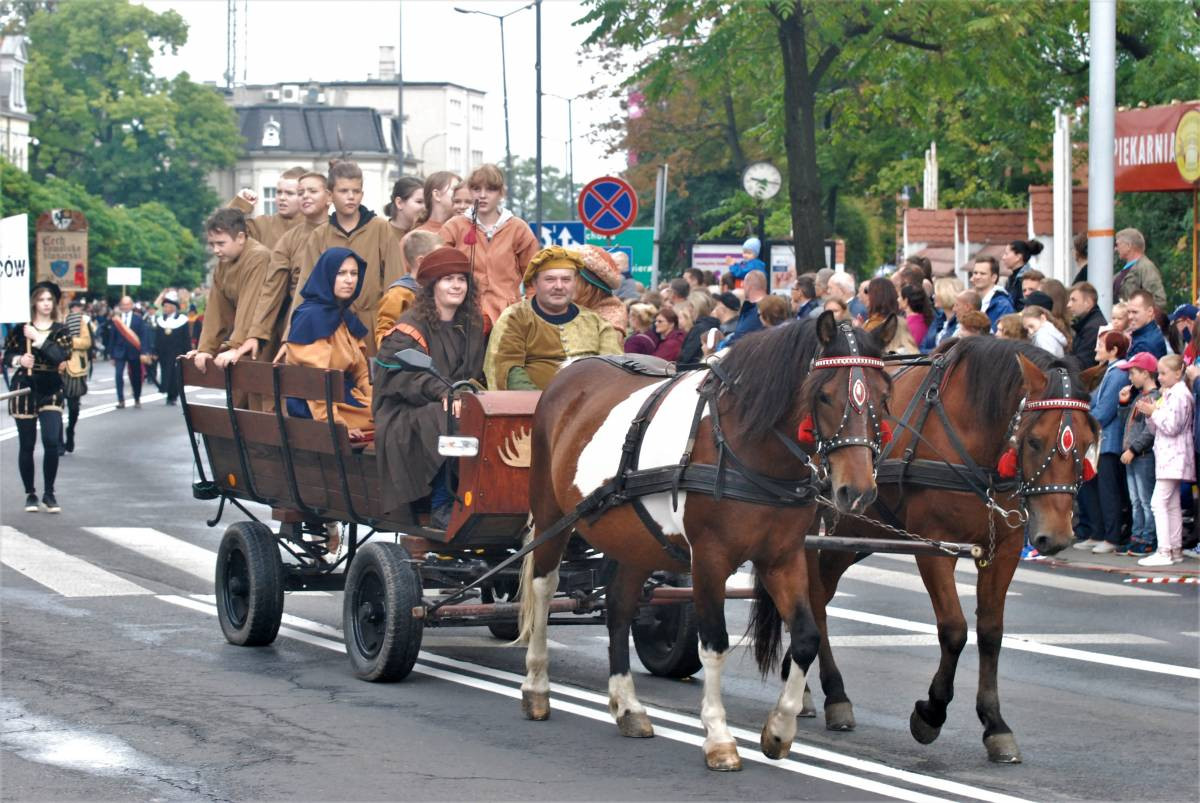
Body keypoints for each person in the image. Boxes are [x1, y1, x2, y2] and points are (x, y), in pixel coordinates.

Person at [374, 246, 485, 526]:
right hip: (403, 412)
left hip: (456, 405)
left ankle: (481, 497)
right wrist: (440, 392)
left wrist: (467, 394)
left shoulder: (470, 325)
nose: (456, 285)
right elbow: (397, 376)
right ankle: (442, 503)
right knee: (441, 417)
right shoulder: (409, 327)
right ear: (433, 285)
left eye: (461, 279)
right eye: (448, 279)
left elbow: (475, 375)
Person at [292, 161, 406, 357]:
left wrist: (395, 335)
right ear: (330, 195)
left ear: (362, 194)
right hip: (330, 328)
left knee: (371, 382)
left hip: (372, 325)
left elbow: (395, 285)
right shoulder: (320, 235)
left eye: (356, 191)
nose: (351, 197)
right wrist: (291, 336)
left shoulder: (380, 229)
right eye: (344, 191)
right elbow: (306, 289)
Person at [484, 246, 621, 389]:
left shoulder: (596, 323)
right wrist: (540, 404)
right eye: (550, 279)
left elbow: (613, 368)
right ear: (535, 283)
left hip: (589, 406)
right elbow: (506, 367)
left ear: (574, 283)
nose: (559, 286)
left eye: (566, 279)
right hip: (531, 408)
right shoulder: (516, 317)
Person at [241, 170, 332, 364]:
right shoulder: (275, 231)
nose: (282, 198)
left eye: (289, 193)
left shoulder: (341, 230)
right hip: (289, 319)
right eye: (300, 193)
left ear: (328, 197)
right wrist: (256, 333)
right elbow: (272, 288)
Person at [282, 248, 374, 438]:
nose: (349, 280)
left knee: (393, 413)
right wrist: (335, 424)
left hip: (343, 399)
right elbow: (315, 381)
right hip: (315, 409)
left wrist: (375, 400)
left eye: (354, 273)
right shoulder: (311, 317)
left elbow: (361, 372)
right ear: (327, 275)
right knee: (395, 419)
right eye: (341, 273)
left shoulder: (344, 316)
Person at [440, 163, 540, 327]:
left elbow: (534, 277)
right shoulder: (454, 227)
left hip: (508, 319)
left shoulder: (518, 228)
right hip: (463, 317)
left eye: (491, 189)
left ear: (501, 193)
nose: (483, 195)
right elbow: (437, 272)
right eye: (477, 189)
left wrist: (531, 312)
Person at [5, 282, 72, 512]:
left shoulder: (60, 330)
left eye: (49, 300)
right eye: (42, 299)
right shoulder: (20, 329)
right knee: (27, 444)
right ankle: (30, 493)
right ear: (34, 302)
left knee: (51, 441)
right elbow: (7, 355)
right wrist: (19, 361)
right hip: (25, 387)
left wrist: (38, 339)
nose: (46, 303)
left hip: (51, 386)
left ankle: (49, 493)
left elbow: (61, 356)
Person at [187, 209, 272, 374]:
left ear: (240, 237)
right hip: (245, 335)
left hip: (265, 336)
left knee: (260, 392)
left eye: (220, 243)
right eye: (212, 244)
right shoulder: (224, 263)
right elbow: (216, 309)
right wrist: (206, 348)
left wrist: (236, 346)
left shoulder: (258, 257)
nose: (215, 250)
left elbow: (251, 304)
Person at [1075, 330, 1130, 554]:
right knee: (1093, 488)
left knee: (1108, 491)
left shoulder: (1118, 374)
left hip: (1109, 441)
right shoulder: (1109, 371)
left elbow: (1105, 410)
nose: (1096, 348)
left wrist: (1083, 421)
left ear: (1114, 350)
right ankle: (1097, 532)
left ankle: (1112, 536)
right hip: (1099, 441)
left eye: (1101, 344)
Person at [1137, 355, 1195, 566]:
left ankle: (1164, 551)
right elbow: (1158, 428)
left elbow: (1172, 426)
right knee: (1171, 504)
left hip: (1174, 456)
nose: (1159, 377)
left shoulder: (1180, 395)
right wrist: (1151, 413)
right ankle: (1175, 549)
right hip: (1168, 456)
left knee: (1158, 503)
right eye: (1159, 373)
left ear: (1178, 373)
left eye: (1163, 373)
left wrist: (1155, 412)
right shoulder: (1171, 394)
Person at [1117, 352, 1160, 557]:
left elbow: (1149, 431)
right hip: (1132, 455)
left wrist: (1133, 450)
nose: (1130, 377)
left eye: (1133, 372)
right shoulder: (1139, 398)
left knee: (1145, 499)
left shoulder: (1154, 398)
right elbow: (1128, 424)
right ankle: (1137, 536)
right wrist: (1124, 404)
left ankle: (1148, 539)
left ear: (1146, 373)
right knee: (1136, 500)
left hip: (1142, 456)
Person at [376, 229, 440, 346]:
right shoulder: (398, 294)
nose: (443, 262)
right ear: (421, 261)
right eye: (438, 257)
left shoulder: (438, 290)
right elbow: (383, 334)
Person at [229, 166, 308, 249]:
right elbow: (227, 235)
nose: (282, 198)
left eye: (289, 193)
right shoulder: (261, 225)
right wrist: (240, 205)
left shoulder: (317, 228)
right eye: (278, 192)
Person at [575, 245, 628, 338]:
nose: (561, 285)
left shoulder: (609, 325)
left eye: (568, 278)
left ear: (589, 285)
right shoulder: (571, 307)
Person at [108, 294, 151, 407]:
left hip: (134, 351)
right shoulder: (116, 320)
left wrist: (143, 352)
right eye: (123, 304)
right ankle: (121, 400)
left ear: (131, 305)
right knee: (118, 375)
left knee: (136, 376)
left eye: (128, 304)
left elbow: (143, 336)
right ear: (120, 306)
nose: (125, 306)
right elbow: (112, 337)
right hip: (119, 351)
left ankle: (137, 398)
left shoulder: (138, 319)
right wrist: (111, 355)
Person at [61, 297, 92, 453]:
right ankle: (58, 440)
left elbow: (86, 342)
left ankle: (70, 430)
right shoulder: (51, 320)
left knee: (73, 406)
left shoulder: (80, 321)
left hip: (74, 368)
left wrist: (68, 341)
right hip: (56, 367)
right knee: (54, 407)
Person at [152, 291, 191, 405]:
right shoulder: (161, 320)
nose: (165, 308)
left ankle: (173, 395)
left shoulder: (182, 320)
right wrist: (155, 351)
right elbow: (157, 338)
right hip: (164, 353)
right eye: (164, 306)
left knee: (175, 374)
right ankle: (167, 392)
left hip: (177, 352)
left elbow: (186, 338)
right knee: (165, 372)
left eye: (168, 306)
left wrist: (187, 353)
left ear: (174, 307)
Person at [1113, 228, 1166, 309]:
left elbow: (1158, 300)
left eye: (1117, 244)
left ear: (1128, 246)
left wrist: (1139, 316)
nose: (1115, 249)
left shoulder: (1146, 267)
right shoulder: (1125, 270)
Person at [718, 269, 768, 349]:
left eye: (743, 285)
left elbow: (739, 339)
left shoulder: (753, 311)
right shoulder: (774, 307)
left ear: (748, 286)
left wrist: (720, 346)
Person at [1066, 282, 1106, 371]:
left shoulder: (1093, 328)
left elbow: (1083, 363)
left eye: (1073, 300)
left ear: (1087, 303)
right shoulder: (1087, 324)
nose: (1068, 305)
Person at [970, 255, 1014, 330]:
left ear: (994, 278)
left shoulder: (1003, 306)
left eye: (982, 273)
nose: (977, 277)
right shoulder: (972, 300)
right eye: (975, 273)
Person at [1001, 238, 1044, 310]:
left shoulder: (1027, 278)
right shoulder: (1011, 278)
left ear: (1018, 257)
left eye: (1006, 254)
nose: (1003, 257)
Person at [1125, 290, 1167, 359]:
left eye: (1135, 312)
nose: (1130, 317)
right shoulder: (1142, 335)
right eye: (1128, 312)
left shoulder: (1145, 344)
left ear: (1150, 311)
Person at [385, 176, 426, 247]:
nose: (425, 207)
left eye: (427, 202)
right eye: (419, 202)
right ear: (399, 203)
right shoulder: (381, 235)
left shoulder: (427, 234)